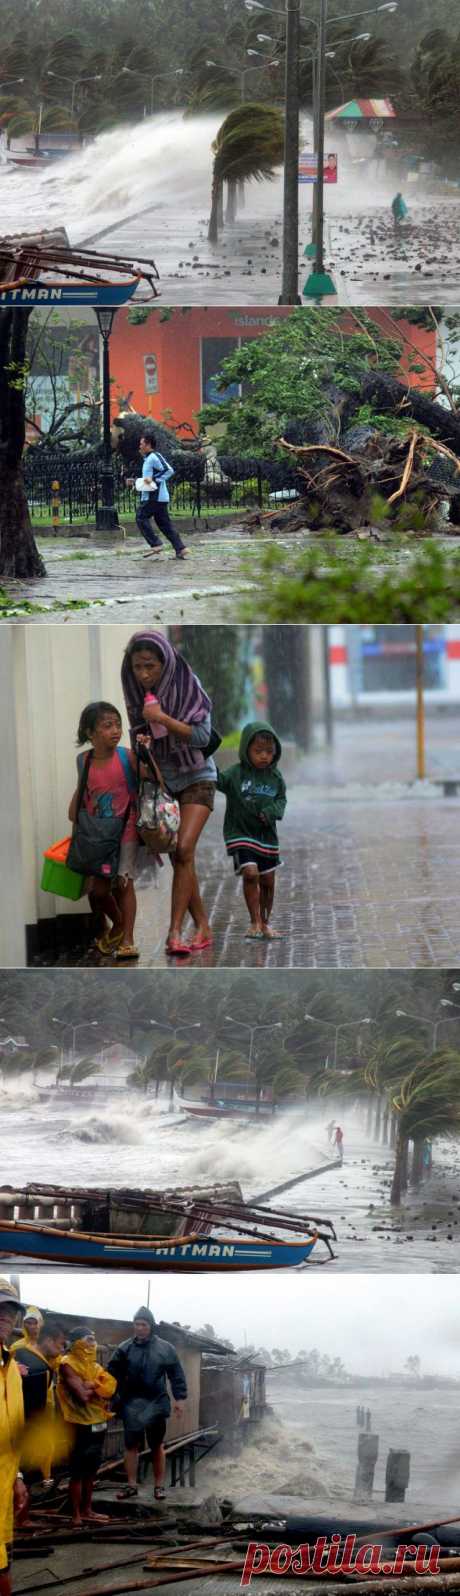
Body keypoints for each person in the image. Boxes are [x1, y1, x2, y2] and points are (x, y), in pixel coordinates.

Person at [121, 630, 217, 956]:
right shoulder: (136, 693)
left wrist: (162, 718)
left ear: (165, 663)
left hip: (198, 776)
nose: (143, 674)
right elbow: (141, 740)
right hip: (163, 783)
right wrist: (144, 746)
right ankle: (202, 924)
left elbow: (202, 737)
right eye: (137, 667)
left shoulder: (188, 686)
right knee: (180, 857)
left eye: (150, 666)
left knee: (185, 848)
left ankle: (174, 933)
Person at [69, 702, 140, 962]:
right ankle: (119, 924)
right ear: (90, 732)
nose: (116, 730)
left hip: (126, 829)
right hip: (97, 835)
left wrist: (147, 754)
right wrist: (76, 827)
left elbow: (151, 779)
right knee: (98, 890)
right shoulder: (84, 760)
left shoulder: (127, 757)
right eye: (108, 725)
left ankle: (128, 940)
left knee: (124, 883)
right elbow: (81, 795)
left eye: (118, 725)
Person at [107, 1307, 187, 1504]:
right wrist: (110, 1397)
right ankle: (131, 1485)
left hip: (156, 1402)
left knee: (156, 1445)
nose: (139, 1328)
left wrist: (180, 1399)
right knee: (131, 1445)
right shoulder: (125, 1348)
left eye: (143, 1324)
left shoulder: (165, 1348)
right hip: (131, 1404)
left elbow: (176, 1375)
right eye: (136, 1324)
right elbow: (111, 1374)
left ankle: (159, 1486)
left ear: (151, 1326)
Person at [215, 721, 286, 941]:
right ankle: (254, 921)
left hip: (266, 837)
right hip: (240, 833)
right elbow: (217, 780)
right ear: (246, 749)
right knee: (250, 873)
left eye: (269, 752)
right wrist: (204, 759)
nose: (264, 756)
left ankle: (265, 923)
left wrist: (271, 812)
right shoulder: (235, 774)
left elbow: (281, 800)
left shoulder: (276, 778)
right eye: (258, 751)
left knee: (268, 881)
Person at [56, 1327, 116, 1529]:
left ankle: (87, 1509)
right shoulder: (67, 1364)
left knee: (92, 1470)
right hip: (79, 1424)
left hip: (98, 1422)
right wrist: (96, 1386)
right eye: (89, 1339)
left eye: (94, 1339)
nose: (93, 1343)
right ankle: (75, 1514)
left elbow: (110, 1390)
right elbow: (81, 1397)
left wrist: (90, 1385)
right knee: (77, 1471)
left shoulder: (95, 1366)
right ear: (77, 1342)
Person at [0, 1280, 28, 1596]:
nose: (4, 1315)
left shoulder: (10, 1367)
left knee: (5, 1558)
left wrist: (17, 1477)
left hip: (6, 1480)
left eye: (9, 1309)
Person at [12, 1321, 66, 1486]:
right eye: (60, 1344)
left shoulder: (18, 1352)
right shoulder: (40, 1368)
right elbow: (33, 1410)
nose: (62, 1350)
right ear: (48, 1341)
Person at [125, 431, 188, 561]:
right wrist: (136, 481)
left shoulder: (154, 456)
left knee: (141, 517)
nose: (140, 446)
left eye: (141, 444)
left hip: (154, 497)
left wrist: (153, 479)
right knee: (165, 524)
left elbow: (169, 470)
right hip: (158, 497)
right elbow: (148, 479)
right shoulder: (148, 459)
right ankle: (181, 549)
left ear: (148, 445)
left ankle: (155, 544)